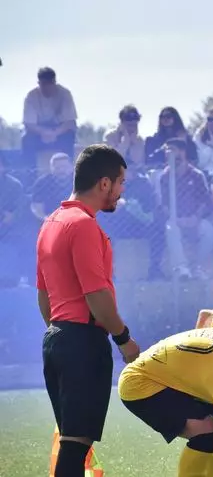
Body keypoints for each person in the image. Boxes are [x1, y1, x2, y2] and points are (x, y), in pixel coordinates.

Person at [36, 144, 140, 477]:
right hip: (82, 341)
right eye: (120, 183)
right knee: (75, 445)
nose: (121, 192)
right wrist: (124, 339)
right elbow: (96, 295)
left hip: (56, 339)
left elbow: (44, 296)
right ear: (104, 183)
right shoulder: (83, 225)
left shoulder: (50, 223)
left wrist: (62, 335)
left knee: (73, 442)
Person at [118, 310, 213, 477]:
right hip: (140, 383)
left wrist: (194, 362)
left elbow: (206, 316)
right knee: (209, 431)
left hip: (169, 378)